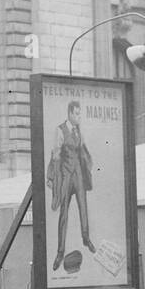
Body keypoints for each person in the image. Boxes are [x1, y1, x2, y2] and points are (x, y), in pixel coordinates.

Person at [49, 100, 94, 271]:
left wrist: (87, 165)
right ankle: (60, 252)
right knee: (64, 214)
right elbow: (55, 155)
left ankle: (86, 238)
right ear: (69, 114)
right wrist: (53, 178)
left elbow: (83, 150)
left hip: (79, 177)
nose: (79, 116)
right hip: (67, 177)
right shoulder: (60, 130)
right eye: (76, 113)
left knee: (83, 208)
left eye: (80, 113)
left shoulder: (78, 131)